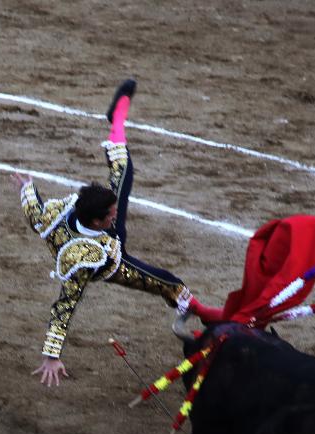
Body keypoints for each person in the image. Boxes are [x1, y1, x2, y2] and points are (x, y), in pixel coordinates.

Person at [13, 79, 219, 386]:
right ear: (99, 222)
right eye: (112, 214)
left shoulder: (58, 214)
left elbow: (34, 212)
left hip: (98, 234)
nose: (117, 214)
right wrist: (51, 355)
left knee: (123, 171)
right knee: (168, 282)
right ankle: (207, 315)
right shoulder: (82, 261)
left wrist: (28, 189)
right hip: (111, 260)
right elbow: (65, 305)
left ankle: (117, 119)